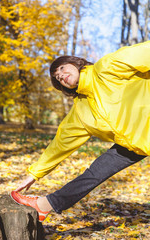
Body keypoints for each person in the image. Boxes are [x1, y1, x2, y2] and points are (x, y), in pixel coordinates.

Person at [11, 41, 150, 222]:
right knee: (94, 172)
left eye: (61, 68)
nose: (60, 75)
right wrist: (34, 174)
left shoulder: (108, 68)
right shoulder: (80, 111)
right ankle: (44, 205)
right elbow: (60, 144)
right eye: (57, 77)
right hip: (133, 144)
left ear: (76, 63)